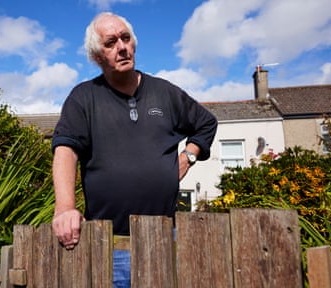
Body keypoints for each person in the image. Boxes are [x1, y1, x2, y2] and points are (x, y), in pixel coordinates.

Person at [51, 12, 218, 287]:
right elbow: (65, 149)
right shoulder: (83, 97)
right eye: (111, 42)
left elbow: (205, 124)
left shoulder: (165, 93)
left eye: (126, 38)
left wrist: (188, 157)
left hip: (165, 239)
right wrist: (65, 208)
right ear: (97, 56)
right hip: (110, 244)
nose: (122, 47)